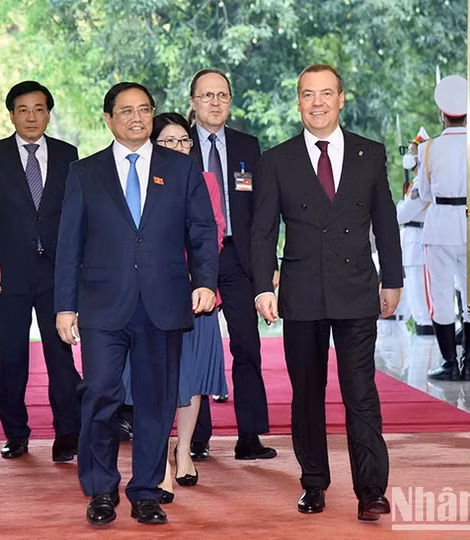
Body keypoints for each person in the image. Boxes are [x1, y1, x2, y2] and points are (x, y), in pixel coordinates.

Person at [54, 82, 218, 526]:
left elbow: (202, 230)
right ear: (108, 119)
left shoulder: (181, 169)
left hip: (163, 303)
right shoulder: (85, 173)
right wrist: (64, 307)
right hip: (102, 306)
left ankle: (145, 490)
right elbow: (69, 244)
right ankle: (101, 490)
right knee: (102, 395)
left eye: (144, 109)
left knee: (155, 402)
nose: (136, 118)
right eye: (125, 111)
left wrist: (205, 281)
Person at [251, 64, 402, 521]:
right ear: (298, 102)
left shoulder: (369, 154)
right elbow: (262, 232)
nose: (317, 103)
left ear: (341, 99)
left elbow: (386, 222)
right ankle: (313, 483)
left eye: (325, 94)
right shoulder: (276, 159)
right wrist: (262, 287)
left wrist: (391, 279)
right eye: (307, 94)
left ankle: (372, 490)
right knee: (307, 395)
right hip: (300, 293)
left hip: (357, 290)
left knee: (361, 393)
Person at [0, 81, 83, 461]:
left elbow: (77, 214)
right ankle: (15, 432)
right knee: (10, 355)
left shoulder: (69, 154)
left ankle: (68, 432)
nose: (31, 116)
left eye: (39, 109)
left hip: (57, 273)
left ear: (48, 113)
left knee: (60, 354)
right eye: (23, 110)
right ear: (12, 115)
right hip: (8, 273)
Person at [120, 112, 228, 502]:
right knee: (160, 380)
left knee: (192, 379)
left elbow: (212, 233)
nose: (179, 148)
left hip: (196, 292)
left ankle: (184, 451)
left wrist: (200, 279)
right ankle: (159, 461)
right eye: (168, 142)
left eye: (184, 142)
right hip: (150, 292)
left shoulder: (206, 179)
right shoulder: (136, 177)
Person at [188, 68, 276, 461]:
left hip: (239, 259)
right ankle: (198, 437)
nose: (215, 102)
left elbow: (261, 213)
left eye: (221, 95)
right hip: (193, 262)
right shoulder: (176, 143)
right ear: (193, 102)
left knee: (247, 347)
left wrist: (266, 266)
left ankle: (250, 436)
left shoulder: (247, 145)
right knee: (197, 350)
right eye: (206, 96)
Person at [416, 75, 470, 382]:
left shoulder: (428, 149)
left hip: (439, 228)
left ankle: (450, 362)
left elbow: (424, 194)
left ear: (442, 113)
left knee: (439, 295)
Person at [396, 128, 433, 336]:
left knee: (424, 308)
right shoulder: (416, 182)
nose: (409, 156)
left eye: (412, 152)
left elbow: (401, 215)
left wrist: (401, 204)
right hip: (411, 246)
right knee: (418, 304)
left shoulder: (422, 183)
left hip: (420, 245)